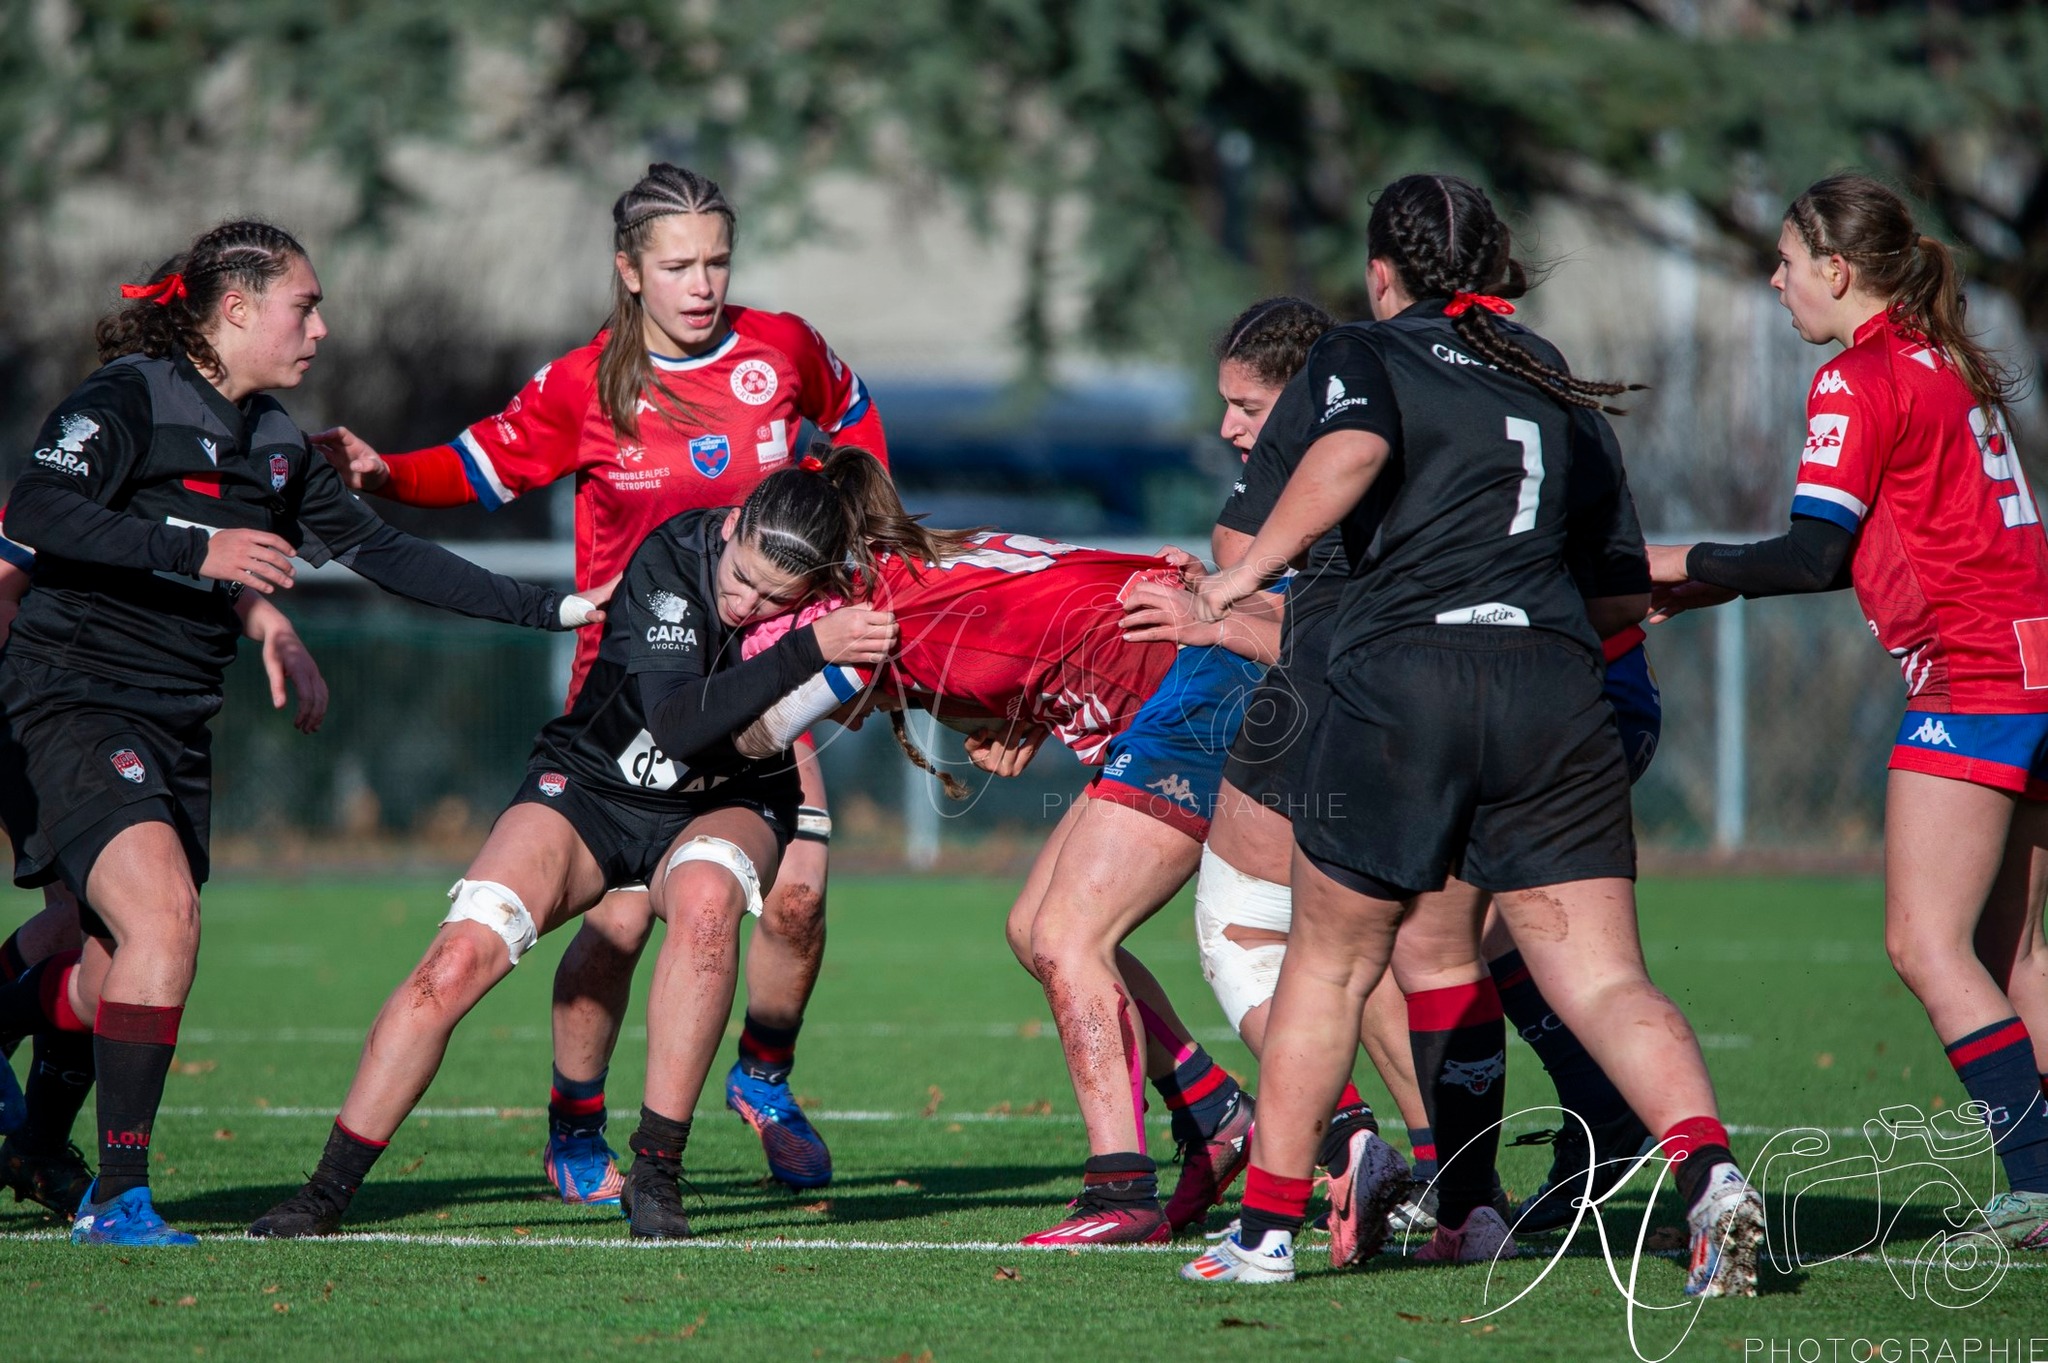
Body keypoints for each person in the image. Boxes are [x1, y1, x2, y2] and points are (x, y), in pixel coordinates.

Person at [1180, 173, 1764, 1297]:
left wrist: (1238, 574)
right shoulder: (1549, 375)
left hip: (1406, 685)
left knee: (1329, 958)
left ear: (1379, 272)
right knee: (1600, 976)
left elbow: (1348, 456)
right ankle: (1706, 1175)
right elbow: (1604, 594)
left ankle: (1262, 1233)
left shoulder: (1361, 351)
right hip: (1551, 689)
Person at [0, 219, 607, 1247]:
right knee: (164, 924)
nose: (320, 327)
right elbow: (41, 506)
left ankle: (41, 1152)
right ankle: (120, 1195)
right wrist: (196, 548)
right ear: (234, 310)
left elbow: (388, 554)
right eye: (304, 304)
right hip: (72, 697)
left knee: (105, 966)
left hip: (178, 719)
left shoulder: (278, 441)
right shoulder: (128, 399)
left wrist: (553, 609)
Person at [315, 163, 886, 1198]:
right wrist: (387, 470)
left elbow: (853, 422)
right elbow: (480, 465)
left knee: (795, 900)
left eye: (717, 260)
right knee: (617, 927)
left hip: (762, 680)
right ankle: (575, 1124)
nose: (702, 282)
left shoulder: (782, 348)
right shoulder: (585, 385)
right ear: (629, 271)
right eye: (677, 265)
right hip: (634, 699)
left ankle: (762, 1079)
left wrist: (866, 546)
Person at [249, 449, 906, 1242]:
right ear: (732, 526)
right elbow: (681, 725)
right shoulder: (671, 556)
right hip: (594, 787)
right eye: (741, 578)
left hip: (724, 802)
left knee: (705, 910)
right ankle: (324, 1192)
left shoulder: (836, 605)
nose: (745, 604)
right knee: (453, 963)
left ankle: (658, 1174)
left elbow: (942, 652)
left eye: (775, 600)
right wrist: (811, 650)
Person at [1648, 172, 2048, 1253]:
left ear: (1835, 270)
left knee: (1924, 944)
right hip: (2033, 661)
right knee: (2011, 956)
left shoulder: (1856, 378)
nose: (1773, 283)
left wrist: (1674, 559)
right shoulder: (1944, 358)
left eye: (1783, 262)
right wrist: (1710, 581)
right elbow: (1850, 556)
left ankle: (2035, 1188)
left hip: (1972, 677)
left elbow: (1811, 549)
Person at [0, 546, 327, 1219]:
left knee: (102, 951)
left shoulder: (181, 483)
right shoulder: (87, 469)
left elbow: (214, 570)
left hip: (118, 716)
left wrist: (273, 626)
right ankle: (47, 1146)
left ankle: (36, 1144)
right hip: (47, 713)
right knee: (115, 923)